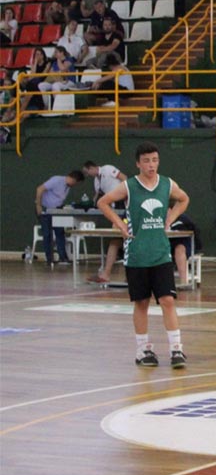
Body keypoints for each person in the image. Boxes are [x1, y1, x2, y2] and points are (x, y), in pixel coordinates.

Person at [97, 142, 191, 369]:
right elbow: (103, 202)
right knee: (141, 303)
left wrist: (170, 218)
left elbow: (184, 199)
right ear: (138, 163)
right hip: (137, 255)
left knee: (168, 301)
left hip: (160, 253)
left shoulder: (167, 184)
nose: (151, 165)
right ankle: (143, 350)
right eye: (147, 161)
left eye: (155, 160)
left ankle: (176, 350)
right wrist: (120, 224)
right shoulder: (129, 186)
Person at [82, 160, 128, 284]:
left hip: (123, 203)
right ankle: (106, 274)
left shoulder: (108, 169)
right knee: (115, 240)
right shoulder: (97, 181)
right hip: (113, 207)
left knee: (127, 240)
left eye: (88, 171)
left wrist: (126, 197)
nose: (88, 175)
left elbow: (124, 178)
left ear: (92, 167)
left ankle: (129, 275)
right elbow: (99, 195)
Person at [34, 169, 85, 266]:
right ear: (74, 179)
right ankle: (50, 259)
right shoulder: (56, 180)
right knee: (47, 234)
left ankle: (63, 258)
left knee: (60, 232)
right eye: (76, 183)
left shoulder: (68, 187)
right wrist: (38, 205)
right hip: (45, 209)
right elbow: (39, 189)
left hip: (56, 210)